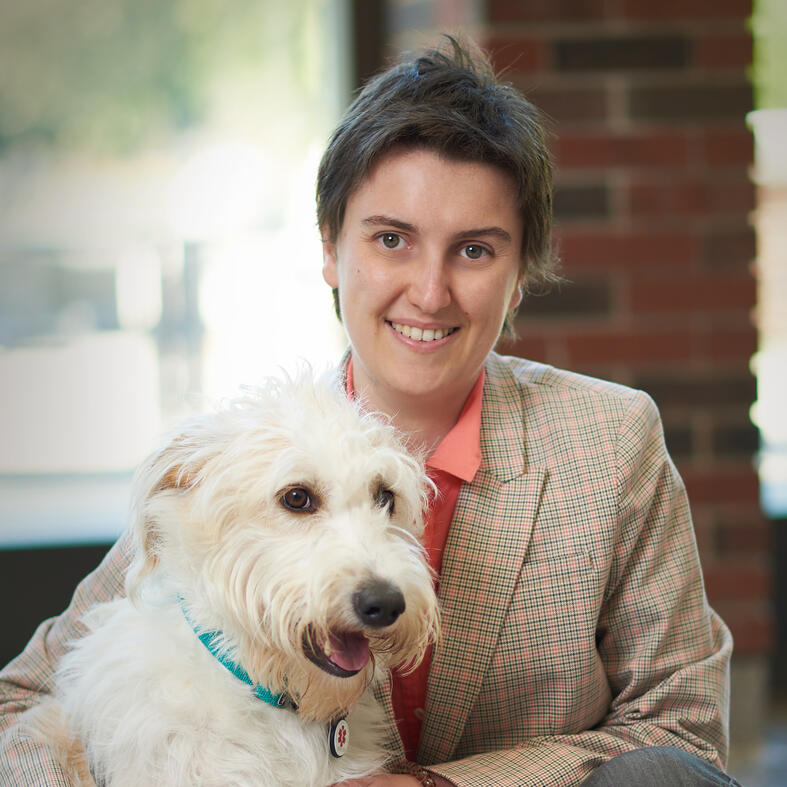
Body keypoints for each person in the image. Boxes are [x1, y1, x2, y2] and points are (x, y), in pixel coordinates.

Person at [0, 37, 739, 787]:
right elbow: (19, 703)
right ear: (330, 249)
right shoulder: (236, 472)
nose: (429, 293)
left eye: (474, 251)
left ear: (519, 276)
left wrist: (435, 785)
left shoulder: (609, 443)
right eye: (392, 240)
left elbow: (681, 729)